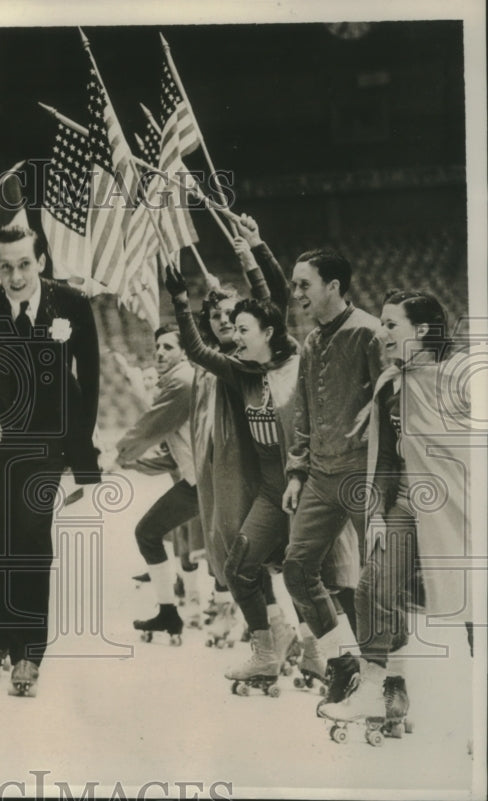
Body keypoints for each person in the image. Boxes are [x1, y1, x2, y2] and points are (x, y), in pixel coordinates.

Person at [0, 223, 101, 696]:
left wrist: (84, 464)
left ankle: (28, 653)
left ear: (41, 262)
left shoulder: (71, 306)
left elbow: (89, 384)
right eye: (4, 267)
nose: (15, 277)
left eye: (23, 265)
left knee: (32, 539)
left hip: (44, 446)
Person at [319, 290, 471, 744]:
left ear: (421, 330)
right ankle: (373, 688)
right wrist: (381, 515)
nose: (381, 332)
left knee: (476, 612)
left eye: (390, 324)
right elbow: (385, 458)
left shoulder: (462, 375)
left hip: (465, 503)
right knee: (373, 583)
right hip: (409, 500)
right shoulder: (390, 383)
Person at [166, 263, 303, 688]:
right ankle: (268, 651)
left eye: (242, 326)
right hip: (267, 489)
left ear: (266, 330)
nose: (234, 332)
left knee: (313, 578)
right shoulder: (237, 370)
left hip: (306, 483)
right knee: (240, 566)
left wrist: (252, 253)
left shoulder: (294, 358)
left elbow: (274, 298)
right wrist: (179, 302)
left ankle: (333, 655)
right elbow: (197, 350)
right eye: (226, 324)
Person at [282, 249, 383, 665]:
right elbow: (303, 413)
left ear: (334, 286)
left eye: (304, 284)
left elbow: (391, 412)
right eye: (294, 285)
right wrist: (297, 472)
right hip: (320, 478)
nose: (296, 293)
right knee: (297, 571)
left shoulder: (369, 334)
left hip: (363, 475)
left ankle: (386, 682)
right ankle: (342, 665)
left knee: (375, 584)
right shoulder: (310, 341)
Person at [116, 325, 196, 644]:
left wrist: (116, 455)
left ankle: (281, 631)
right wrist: (130, 463)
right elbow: (167, 457)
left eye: (168, 347)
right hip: (198, 481)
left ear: (184, 352)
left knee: (240, 559)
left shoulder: (182, 381)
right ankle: (168, 613)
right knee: (149, 533)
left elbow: (149, 428)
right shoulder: (177, 381)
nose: (160, 352)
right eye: (157, 347)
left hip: (209, 481)